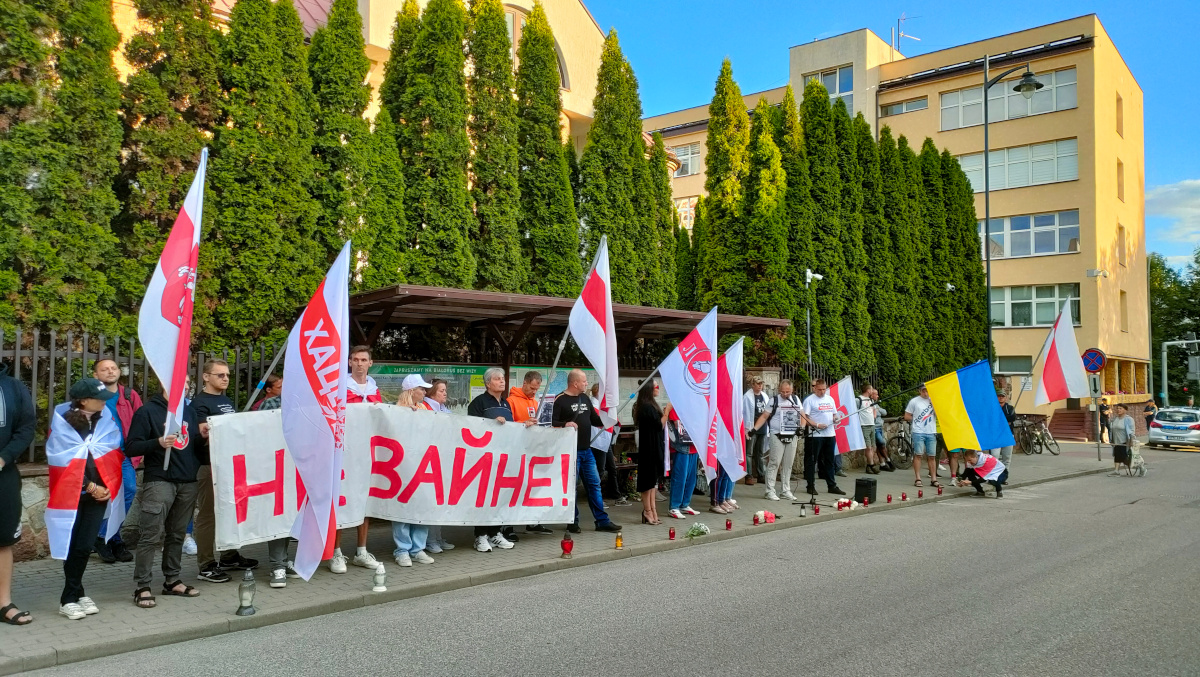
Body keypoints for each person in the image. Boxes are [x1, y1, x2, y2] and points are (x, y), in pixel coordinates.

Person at [123, 383, 204, 609]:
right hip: (160, 480)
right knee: (151, 534)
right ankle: (142, 585)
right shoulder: (147, 411)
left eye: (188, 383)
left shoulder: (188, 411)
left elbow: (193, 444)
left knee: (177, 534)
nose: (186, 386)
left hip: (187, 480)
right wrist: (158, 442)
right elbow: (131, 447)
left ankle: (172, 580)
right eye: (181, 381)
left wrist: (203, 435)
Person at [49, 379, 122, 619]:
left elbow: (111, 453)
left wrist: (108, 485)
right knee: (72, 545)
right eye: (99, 398)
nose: (104, 402)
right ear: (83, 400)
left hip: (100, 492)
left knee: (84, 544)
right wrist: (91, 487)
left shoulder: (105, 421)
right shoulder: (64, 425)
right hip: (72, 494)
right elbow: (62, 462)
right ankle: (69, 598)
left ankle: (76, 593)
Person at [193, 359, 256, 583]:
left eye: (227, 374)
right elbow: (202, 431)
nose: (225, 378)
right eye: (220, 375)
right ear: (206, 377)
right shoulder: (199, 402)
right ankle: (206, 564)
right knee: (208, 514)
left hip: (228, 464)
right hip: (208, 465)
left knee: (229, 510)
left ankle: (229, 555)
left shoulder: (225, 400)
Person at [330, 345, 382, 574]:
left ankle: (361, 550)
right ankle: (336, 552)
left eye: (364, 360)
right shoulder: (340, 386)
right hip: (344, 450)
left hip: (366, 450)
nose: (359, 363)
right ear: (349, 362)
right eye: (355, 359)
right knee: (341, 499)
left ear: (370, 363)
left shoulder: (374, 388)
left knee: (364, 499)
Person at [467, 367, 530, 551]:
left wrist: (522, 425)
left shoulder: (505, 403)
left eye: (503, 378)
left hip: (504, 458)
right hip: (485, 458)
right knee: (484, 497)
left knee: (499, 497)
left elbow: (510, 428)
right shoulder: (478, 403)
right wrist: (491, 424)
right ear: (488, 383)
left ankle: (495, 533)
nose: (502, 381)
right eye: (497, 379)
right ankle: (480, 535)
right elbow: (472, 428)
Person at [554, 370, 622, 534]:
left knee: (594, 485)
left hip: (586, 450)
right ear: (575, 383)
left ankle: (602, 521)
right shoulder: (560, 400)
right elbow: (552, 422)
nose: (586, 384)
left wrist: (608, 419)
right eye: (584, 381)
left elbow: (593, 419)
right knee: (572, 488)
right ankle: (572, 520)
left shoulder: (584, 398)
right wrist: (565, 424)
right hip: (570, 452)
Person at [91, 358, 140, 564]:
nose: (110, 372)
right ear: (96, 375)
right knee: (108, 496)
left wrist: (139, 449)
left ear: (119, 372)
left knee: (129, 490)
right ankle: (109, 538)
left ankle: (106, 535)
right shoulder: (91, 396)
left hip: (124, 454)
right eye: (105, 369)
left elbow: (140, 420)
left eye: (113, 368)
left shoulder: (129, 395)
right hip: (100, 456)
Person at [253, 384, 301, 588]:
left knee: (290, 517)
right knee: (277, 515)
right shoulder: (270, 404)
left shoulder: (305, 405)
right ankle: (277, 566)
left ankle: (283, 560)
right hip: (275, 467)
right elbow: (259, 433)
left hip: (297, 467)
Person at [0, 363, 37, 626]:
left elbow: (26, 428)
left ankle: (3, 603)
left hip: (4, 474)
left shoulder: (13, 387)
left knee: (3, 540)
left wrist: (3, 458)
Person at [391, 375, 436, 567]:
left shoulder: (425, 408)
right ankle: (402, 549)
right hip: (402, 465)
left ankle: (417, 548)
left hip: (422, 463)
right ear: (411, 391)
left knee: (421, 505)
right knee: (402, 505)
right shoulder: (396, 410)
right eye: (421, 389)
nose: (425, 392)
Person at [507, 372, 554, 535]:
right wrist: (523, 424)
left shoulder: (535, 402)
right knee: (514, 488)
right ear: (525, 383)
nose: (534, 392)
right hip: (517, 450)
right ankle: (508, 526)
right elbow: (507, 425)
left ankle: (533, 521)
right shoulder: (511, 401)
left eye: (537, 389)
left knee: (532, 487)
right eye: (532, 388)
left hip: (532, 451)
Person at [416, 379, 454, 553]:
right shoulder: (426, 408)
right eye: (441, 391)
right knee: (432, 500)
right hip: (431, 458)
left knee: (440, 500)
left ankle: (437, 537)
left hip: (443, 456)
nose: (445, 393)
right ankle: (430, 540)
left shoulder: (443, 409)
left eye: (445, 390)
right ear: (432, 393)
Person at [757, 379, 802, 501]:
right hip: (777, 435)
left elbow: (802, 415)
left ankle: (785, 490)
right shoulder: (774, 400)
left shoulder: (796, 400)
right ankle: (769, 491)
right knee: (774, 462)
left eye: (787, 392)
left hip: (792, 436)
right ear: (779, 390)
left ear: (792, 390)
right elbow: (765, 416)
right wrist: (754, 428)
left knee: (788, 465)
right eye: (782, 391)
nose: (785, 394)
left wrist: (801, 428)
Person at [801, 379, 845, 496]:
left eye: (824, 389)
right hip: (815, 435)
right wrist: (817, 425)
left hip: (830, 434)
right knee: (812, 460)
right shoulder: (809, 400)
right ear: (815, 388)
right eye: (819, 389)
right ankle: (810, 485)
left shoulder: (830, 399)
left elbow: (834, 414)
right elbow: (805, 418)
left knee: (829, 460)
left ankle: (832, 485)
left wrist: (836, 418)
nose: (822, 392)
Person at [634, 379, 668, 525]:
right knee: (647, 480)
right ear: (649, 389)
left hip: (654, 445)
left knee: (653, 480)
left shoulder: (650, 405)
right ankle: (647, 510)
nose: (658, 388)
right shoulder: (646, 407)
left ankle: (653, 509)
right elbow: (658, 424)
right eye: (656, 387)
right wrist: (667, 412)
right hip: (648, 447)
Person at [590, 383, 627, 507]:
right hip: (598, 442)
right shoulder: (593, 404)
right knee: (600, 469)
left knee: (611, 468)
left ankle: (616, 495)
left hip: (606, 441)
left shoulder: (602, 405)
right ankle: (596, 497)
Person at [905, 384, 941, 489]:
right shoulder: (914, 401)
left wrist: (935, 406)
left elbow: (939, 414)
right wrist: (916, 419)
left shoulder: (933, 400)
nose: (925, 393)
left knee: (932, 456)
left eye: (927, 391)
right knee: (918, 455)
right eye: (923, 391)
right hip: (918, 431)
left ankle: (934, 479)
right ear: (920, 391)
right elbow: (907, 416)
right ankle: (918, 478)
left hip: (931, 431)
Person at [666, 410, 699, 518]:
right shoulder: (677, 406)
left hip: (694, 447)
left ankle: (685, 504)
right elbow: (677, 425)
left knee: (691, 478)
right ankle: (674, 507)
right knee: (680, 477)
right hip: (682, 447)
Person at [741, 377, 769, 485]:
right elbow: (743, 413)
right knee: (749, 452)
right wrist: (746, 429)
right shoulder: (747, 397)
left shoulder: (765, 396)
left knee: (760, 453)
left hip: (762, 428)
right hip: (751, 428)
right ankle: (749, 475)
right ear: (753, 385)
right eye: (757, 384)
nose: (760, 386)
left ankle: (761, 474)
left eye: (761, 383)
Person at [858, 384, 881, 474]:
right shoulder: (859, 399)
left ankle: (869, 465)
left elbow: (874, 409)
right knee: (868, 447)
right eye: (871, 389)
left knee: (873, 446)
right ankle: (871, 465)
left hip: (872, 425)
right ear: (868, 390)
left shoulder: (871, 400)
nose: (872, 391)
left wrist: (873, 417)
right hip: (864, 425)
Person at [1108, 403, 1136, 476]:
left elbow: (1132, 431)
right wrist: (1111, 439)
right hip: (1116, 441)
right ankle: (1116, 471)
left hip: (1125, 441)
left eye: (1120, 408)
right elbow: (1111, 429)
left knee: (1125, 458)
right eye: (1117, 408)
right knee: (1117, 455)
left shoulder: (1128, 419)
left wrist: (1131, 441)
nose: (1118, 410)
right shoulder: (1115, 419)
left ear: (1125, 410)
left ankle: (1140, 467)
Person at [993, 391, 1017, 465]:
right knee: (994, 456)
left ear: (1005, 398)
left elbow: (1012, 417)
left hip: (1008, 434)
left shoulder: (1010, 408)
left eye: (1002, 396)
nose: (1001, 398)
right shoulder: (993, 408)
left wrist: (1000, 420)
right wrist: (1005, 421)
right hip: (995, 435)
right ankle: (994, 475)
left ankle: (1005, 474)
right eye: (999, 396)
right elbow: (992, 419)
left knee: (1007, 458)